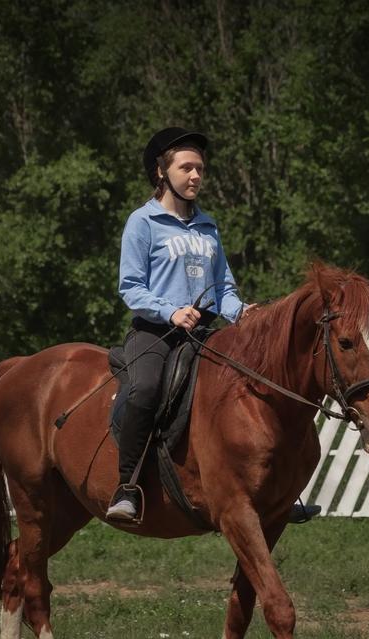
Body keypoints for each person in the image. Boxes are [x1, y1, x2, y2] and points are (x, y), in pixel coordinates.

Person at [107, 127, 251, 521]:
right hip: (157, 331)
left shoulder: (208, 226)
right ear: (161, 172)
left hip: (204, 331)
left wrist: (242, 313)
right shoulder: (143, 222)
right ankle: (127, 487)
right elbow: (130, 287)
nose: (196, 176)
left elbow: (223, 286)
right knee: (145, 390)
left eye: (200, 169)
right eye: (186, 167)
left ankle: (266, 487)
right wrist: (170, 311)